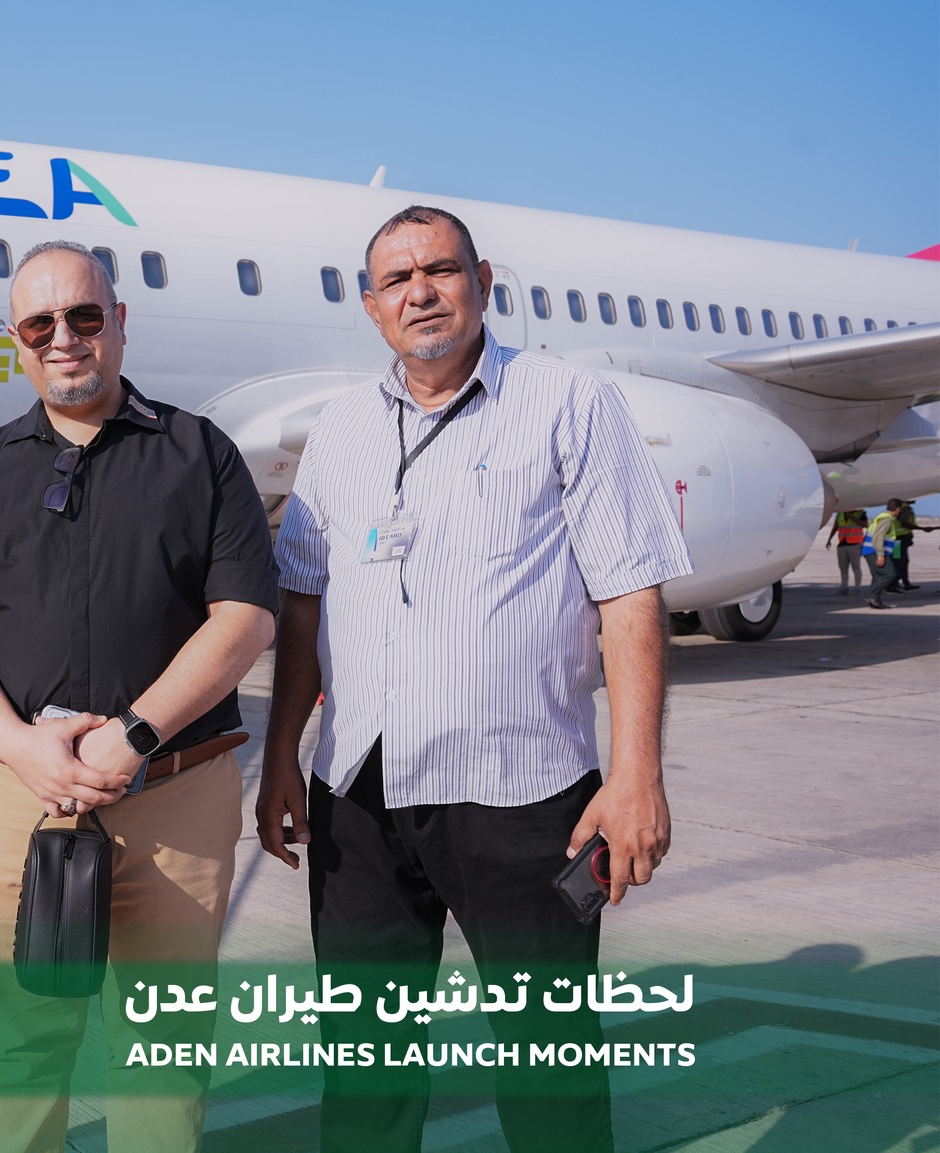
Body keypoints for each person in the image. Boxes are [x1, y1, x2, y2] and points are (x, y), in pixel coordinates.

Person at [256, 206, 693, 1153]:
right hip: (358, 793)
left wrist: (637, 775)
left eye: (441, 270)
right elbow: (303, 604)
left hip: (524, 797)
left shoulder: (569, 404)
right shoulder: (339, 432)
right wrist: (283, 755)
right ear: (371, 306)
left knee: (547, 1070)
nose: (420, 292)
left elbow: (630, 593)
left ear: (483, 282)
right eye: (397, 280)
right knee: (364, 1068)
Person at [0, 239, 280, 1153]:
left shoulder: (201, 454)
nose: (64, 337)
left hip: (172, 795)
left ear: (119, 321)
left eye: (83, 316)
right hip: (15, 795)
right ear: (16, 340)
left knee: (163, 1050)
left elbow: (244, 616)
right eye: (40, 323)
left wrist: (136, 733)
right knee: (20, 1039)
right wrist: (18, 744)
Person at [866, 500, 902, 609]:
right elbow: (878, 536)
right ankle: (872, 596)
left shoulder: (883, 517)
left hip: (871, 550)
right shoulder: (886, 519)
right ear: (897, 509)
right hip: (875, 551)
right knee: (889, 574)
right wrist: (880, 555)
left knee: (878, 575)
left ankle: (875, 600)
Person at [888, 498, 927, 592]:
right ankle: (893, 584)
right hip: (899, 539)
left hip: (899, 538)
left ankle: (905, 582)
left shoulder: (901, 508)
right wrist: (921, 528)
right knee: (898, 561)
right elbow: (904, 524)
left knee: (903, 561)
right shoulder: (905, 509)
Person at [826, 510, 867, 594]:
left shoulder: (860, 513)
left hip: (855, 543)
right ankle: (844, 587)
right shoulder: (840, 514)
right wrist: (829, 539)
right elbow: (835, 527)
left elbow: (865, 525)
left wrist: (853, 518)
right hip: (842, 543)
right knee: (843, 567)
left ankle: (857, 588)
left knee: (856, 566)